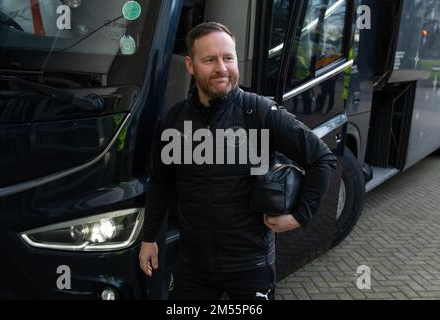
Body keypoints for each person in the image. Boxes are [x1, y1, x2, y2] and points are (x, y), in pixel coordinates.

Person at [139, 22, 337, 300]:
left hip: (250, 266)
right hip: (192, 267)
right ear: (190, 65)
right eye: (210, 60)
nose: (222, 68)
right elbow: (161, 183)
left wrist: (301, 216)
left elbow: (322, 159)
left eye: (228, 58)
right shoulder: (173, 121)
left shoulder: (259, 112)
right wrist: (149, 239)